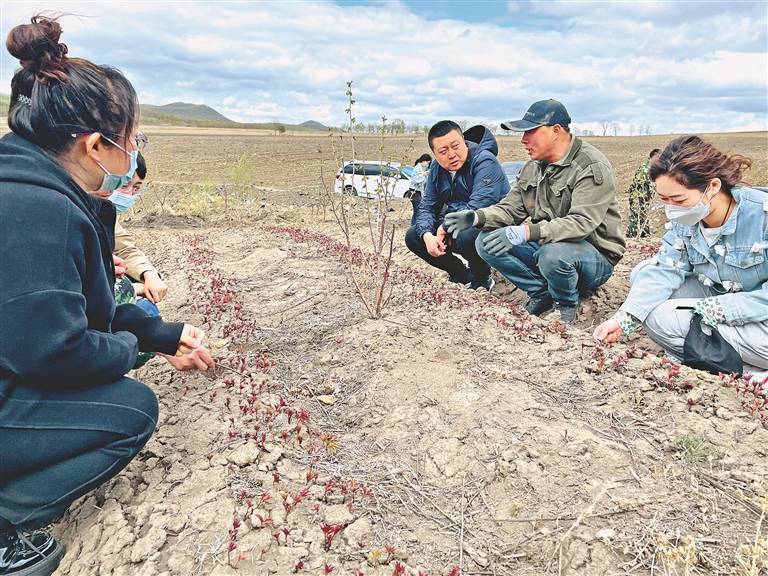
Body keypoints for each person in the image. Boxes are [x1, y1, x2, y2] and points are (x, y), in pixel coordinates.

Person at [0, 15, 214, 576]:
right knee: (130, 410)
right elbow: (54, 352)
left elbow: (80, 307)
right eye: (133, 139)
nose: (134, 153)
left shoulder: (38, 185)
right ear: (96, 144)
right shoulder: (35, 211)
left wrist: (157, 333)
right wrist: (129, 349)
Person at [594, 135, 767, 375]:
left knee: (661, 318)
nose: (672, 209)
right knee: (642, 273)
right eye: (664, 200)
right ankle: (715, 356)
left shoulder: (762, 216)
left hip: (761, 317)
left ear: (713, 187)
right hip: (724, 293)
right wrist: (625, 318)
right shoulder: (688, 218)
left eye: (679, 199)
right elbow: (667, 268)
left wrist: (718, 308)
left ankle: (746, 372)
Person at [444, 99, 625, 322]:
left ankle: (566, 303)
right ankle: (541, 291)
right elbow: (510, 208)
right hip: (548, 246)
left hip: (593, 257)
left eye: (530, 132)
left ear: (556, 131)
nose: (523, 140)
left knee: (553, 254)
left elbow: (581, 223)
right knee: (485, 241)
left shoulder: (590, 166)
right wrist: (476, 217)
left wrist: (526, 233)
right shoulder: (533, 167)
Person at [405, 121, 510, 291]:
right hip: (456, 223)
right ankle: (462, 274)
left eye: (456, 146)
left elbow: (478, 206)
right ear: (435, 154)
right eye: (443, 151)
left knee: (465, 232)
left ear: (464, 141)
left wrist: (445, 226)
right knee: (413, 236)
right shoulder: (437, 169)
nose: (452, 155)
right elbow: (427, 206)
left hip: (494, 225)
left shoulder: (484, 161)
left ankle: (482, 277)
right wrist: (426, 235)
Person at [627, 148, 661, 238]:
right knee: (636, 220)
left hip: (643, 200)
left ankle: (643, 237)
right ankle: (632, 238)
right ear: (650, 157)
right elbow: (642, 185)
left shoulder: (651, 169)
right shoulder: (645, 169)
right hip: (638, 199)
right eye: (657, 157)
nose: (658, 160)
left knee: (642, 219)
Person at [408, 153, 431, 225]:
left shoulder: (422, 168)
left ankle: (414, 225)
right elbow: (415, 180)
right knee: (418, 211)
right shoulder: (418, 168)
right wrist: (423, 175)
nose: (427, 164)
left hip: (418, 192)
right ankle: (414, 226)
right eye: (427, 162)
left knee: (417, 211)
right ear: (424, 161)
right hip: (414, 192)